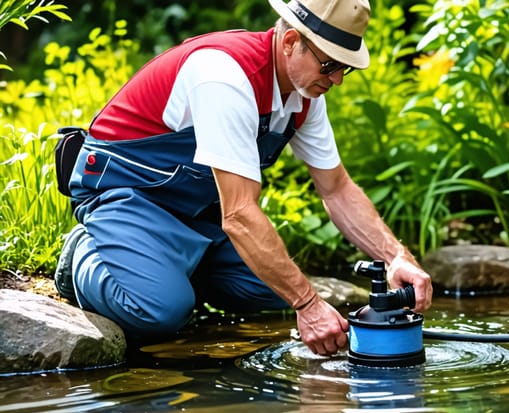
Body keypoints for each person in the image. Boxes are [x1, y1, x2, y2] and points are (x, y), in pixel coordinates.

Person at [53, 0, 433, 356]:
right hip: (125, 194)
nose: (337, 81)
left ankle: (167, 273)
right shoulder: (224, 76)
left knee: (268, 292)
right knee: (158, 313)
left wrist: (396, 256)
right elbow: (238, 214)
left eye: (343, 68)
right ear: (290, 42)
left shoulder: (304, 97)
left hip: (196, 215)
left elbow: (337, 189)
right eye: (329, 66)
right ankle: (83, 258)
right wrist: (308, 305)